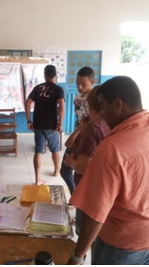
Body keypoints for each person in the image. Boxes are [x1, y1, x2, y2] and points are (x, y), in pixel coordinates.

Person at [67, 76, 149, 265]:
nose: (101, 112)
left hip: (125, 243)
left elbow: (95, 213)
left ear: (117, 104)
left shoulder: (111, 149)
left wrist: (77, 256)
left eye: (102, 105)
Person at [64, 85, 111, 236]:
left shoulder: (93, 129)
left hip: (87, 189)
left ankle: (80, 256)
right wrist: (82, 128)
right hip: (102, 188)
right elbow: (69, 143)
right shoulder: (109, 124)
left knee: (84, 232)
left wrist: (71, 162)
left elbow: (82, 168)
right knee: (94, 228)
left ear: (89, 105)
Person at [25, 64, 65, 185]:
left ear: (44, 75)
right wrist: (60, 124)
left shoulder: (37, 88)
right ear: (55, 75)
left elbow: (28, 102)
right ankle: (56, 171)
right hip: (51, 125)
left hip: (38, 124)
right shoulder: (58, 89)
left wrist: (28, 120)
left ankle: (38, 179)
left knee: (38, 151)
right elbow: (61, 107)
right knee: (55, 150)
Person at [60, 67, 95, 194]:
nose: (79, 87)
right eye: (77, 84)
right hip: (77, 136)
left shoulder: (96, 99)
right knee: (65, 170)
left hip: (89, 138)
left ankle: (79, 197)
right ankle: (75, 194)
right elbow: (79, 119)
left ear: (92, 82)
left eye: (83, 84)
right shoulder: (77, 98)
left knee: (83, 171)